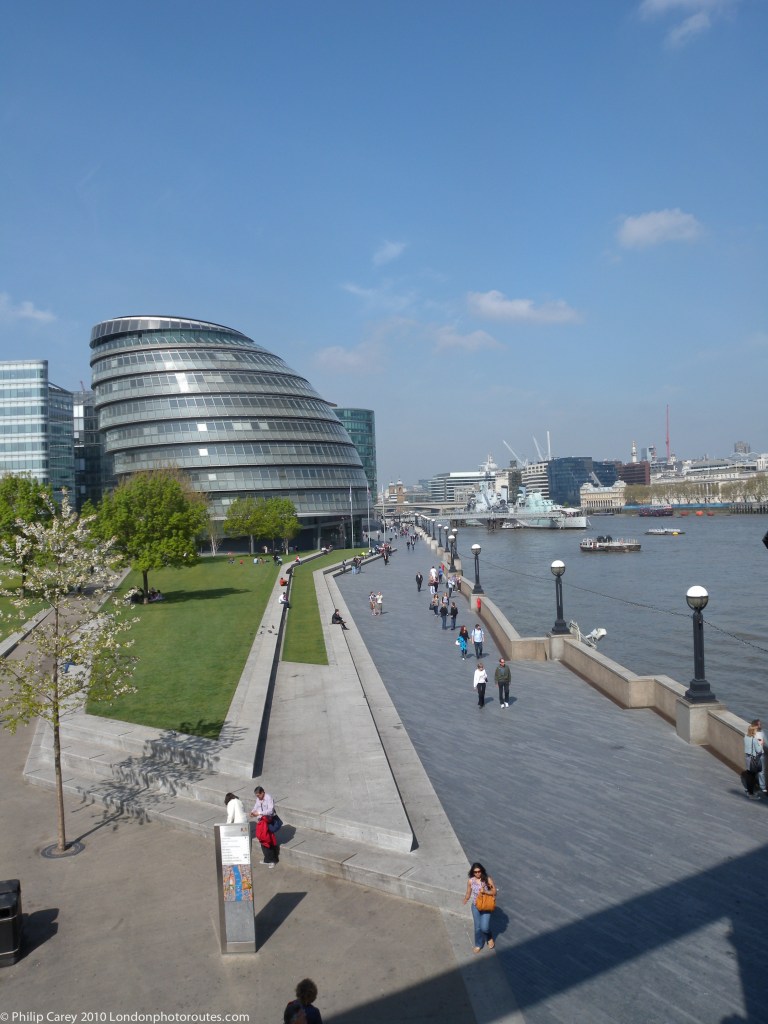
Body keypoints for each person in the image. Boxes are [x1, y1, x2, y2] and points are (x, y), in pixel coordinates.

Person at [463, 862, 497, 953]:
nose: (477, 873)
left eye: (479, 871)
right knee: (477, 927)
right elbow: (468, 892)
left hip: (486, 906)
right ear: (472, 872)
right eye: (475, 872)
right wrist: (466, 899)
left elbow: (494, 892)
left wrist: (485, 892)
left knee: (484, 927)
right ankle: (478, 944)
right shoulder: (471, 881)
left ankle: (489, 937)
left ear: (482, 871)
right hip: (475, 906)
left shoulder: (487, 879)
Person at [250, 786, 279, 865]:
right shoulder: (258, 799)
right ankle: (267, 859)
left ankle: (273, 860)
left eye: (259, 795)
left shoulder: (268, 798)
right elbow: (256, 806)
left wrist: (259, 813)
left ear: (263, 792)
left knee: (269, 840)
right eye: (257, 796)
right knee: (262, 840)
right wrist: (252, 812)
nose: (258, 797)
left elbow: (270, 811)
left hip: (268, 821)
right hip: (262, 822)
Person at [744, 721, 765, 797]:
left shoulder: (746, 737)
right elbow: (759, 750)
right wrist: (761, 743)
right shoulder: (754, 740)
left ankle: (748, 790)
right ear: (753, 731)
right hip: (753, 759)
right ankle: (751, 793)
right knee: (752, 776)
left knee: (748, 774)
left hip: (748, 757)